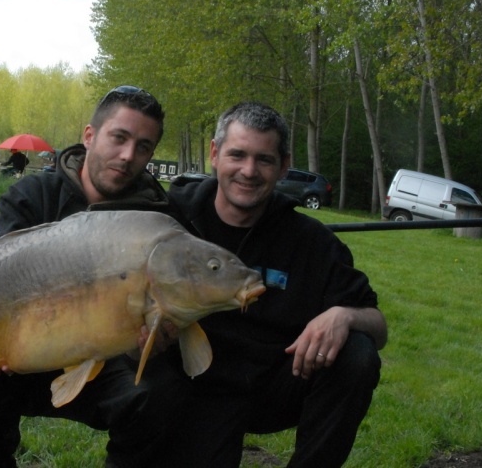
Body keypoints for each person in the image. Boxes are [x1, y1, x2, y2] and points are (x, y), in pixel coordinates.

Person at [0, 85, 189, 468]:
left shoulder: (159, 221)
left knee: (161, 393)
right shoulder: (33, 196)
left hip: (109, 361)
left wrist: (154, 339)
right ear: (90, 136)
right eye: (119, 138)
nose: (128, 156)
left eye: (143, 147)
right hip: (25, 354)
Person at [162, 101, 387, 467]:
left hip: (277, 383)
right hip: (192, 385)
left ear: (283, 165)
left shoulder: (313, 242)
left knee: (357, 352)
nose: (249, 171)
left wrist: (344, 316)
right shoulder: (170, 219)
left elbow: (378, 326)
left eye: (264, 159)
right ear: (215, 155)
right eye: (237, 155)